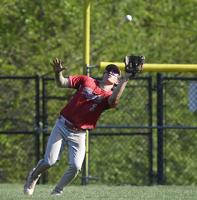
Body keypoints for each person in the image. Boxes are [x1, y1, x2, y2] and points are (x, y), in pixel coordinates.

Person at [24, 57, 142, 196]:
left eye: (115, 72)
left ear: (117, 81)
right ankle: (34, 176)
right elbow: (61, 83)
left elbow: (114, 100)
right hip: (62, 125)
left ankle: (57, 191)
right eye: (108, 70)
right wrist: (57, 73)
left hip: (79, 133)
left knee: (76, 166)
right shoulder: (87, 80)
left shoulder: (109, 96)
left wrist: (126, 79)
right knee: (50, 161)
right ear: (103, 74)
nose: (110, 72)